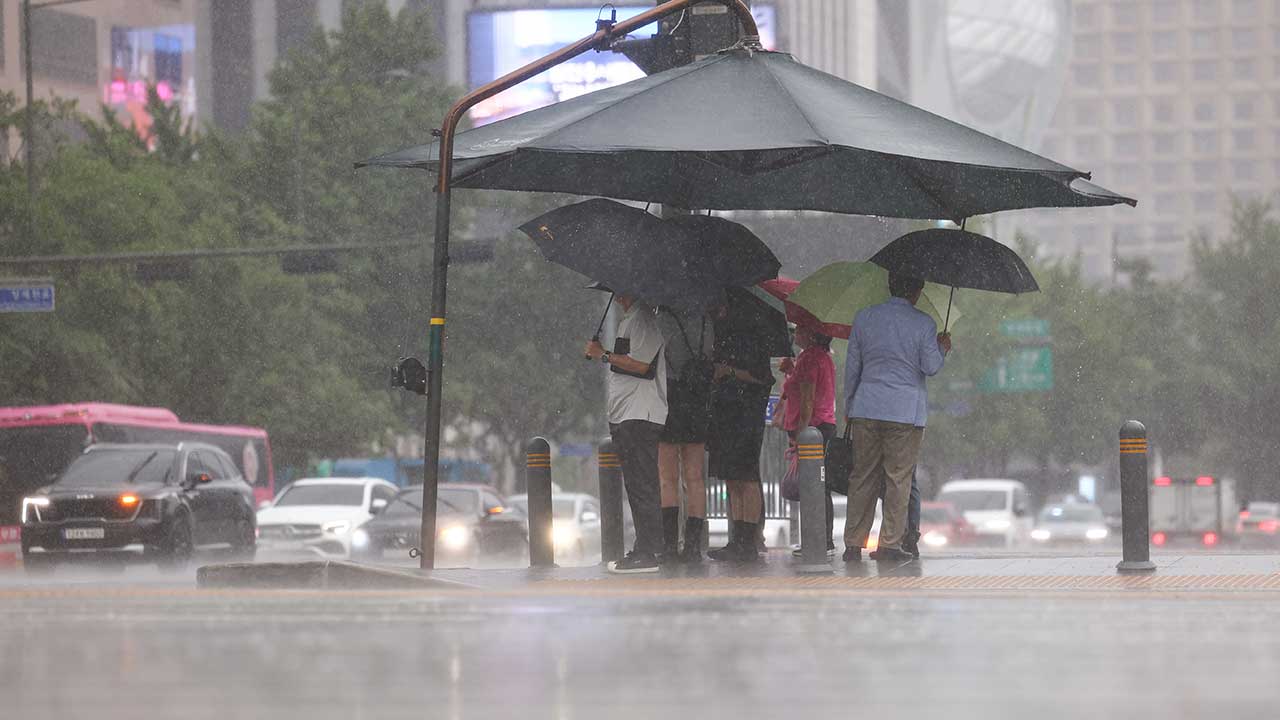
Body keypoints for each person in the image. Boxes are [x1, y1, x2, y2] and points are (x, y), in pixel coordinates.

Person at [842, 274, 950, 563]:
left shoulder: (865, 318)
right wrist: (942, 348)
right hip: (904, 412)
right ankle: (889, 542)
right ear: (917, 290)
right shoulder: (924, 323)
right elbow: (930, 366)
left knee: (862, 476)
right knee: (897, 478)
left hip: (866, 406)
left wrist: (849, 403)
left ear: (890, 285)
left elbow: (853, 365)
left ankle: (853, 542)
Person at [584, 294, 667, 573]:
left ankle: (649, 550)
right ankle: (645, 547)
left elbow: (643, 366)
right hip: (626, 414)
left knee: (642, 483)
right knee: (636, 484)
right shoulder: (630, 320)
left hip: (639, 414)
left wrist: (604, 355)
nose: (615, 294)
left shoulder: (643, 319)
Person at [707, 304, 776, 562]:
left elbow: (763, 378)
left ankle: (749, 537)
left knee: (746, 476)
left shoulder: (754, 337)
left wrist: (731, 372)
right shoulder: (720, 337)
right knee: (731, 477)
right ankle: (737, 537)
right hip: (724, 414)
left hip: (746, 416)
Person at [655, 306, 714, 564]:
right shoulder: (705, 320)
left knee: (668, 478)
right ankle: (692, 547)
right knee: (695, 478)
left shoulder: (662, 317)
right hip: (697, 401)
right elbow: (710, 355)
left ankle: (670, 546)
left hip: (669, 398)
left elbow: (654, 356)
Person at [774, 325, 837, 557]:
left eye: (800, 329)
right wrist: (791, 371)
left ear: (811, 334)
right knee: (819, 485)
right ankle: (821, 539)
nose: (795, 333)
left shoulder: (810, 358)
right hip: (823, 425)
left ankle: (819, 540)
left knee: (815, 486)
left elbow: (808, 399)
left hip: (813, 427)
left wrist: (802, 433)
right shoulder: (821, 357)